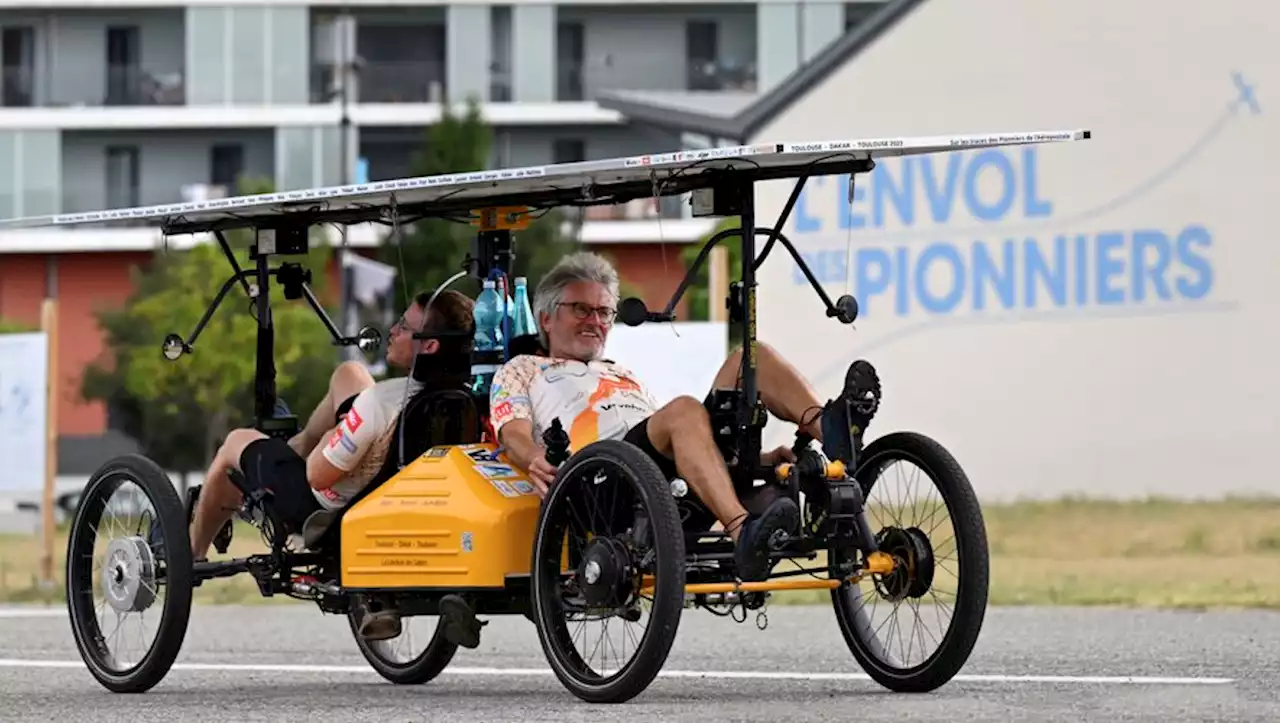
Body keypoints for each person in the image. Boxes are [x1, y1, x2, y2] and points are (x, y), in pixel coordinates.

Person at [488, 252, 881, 582]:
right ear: (545, 319)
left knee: (749, 357)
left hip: (662, 475)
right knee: (683, 411)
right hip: (602, 483)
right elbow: (513, 432)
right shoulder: (522, 368)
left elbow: (689, 442)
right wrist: (532, 458)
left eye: (604, 312)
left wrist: (759, 462)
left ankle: (830, 432)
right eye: (581, 309)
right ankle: (744, 533)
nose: (595, 321)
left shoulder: (620, 373)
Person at [186, 289, 477, 568]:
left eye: (403, 326)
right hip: (391, 490)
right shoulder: (462, 399)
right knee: (349, 373)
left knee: (237, 440)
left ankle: (193, 553)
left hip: (325, 510)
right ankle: (295, 447)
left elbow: (317, 476)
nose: (392, 331)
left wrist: (331, 438)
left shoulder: (377, 403)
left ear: (429, 346)